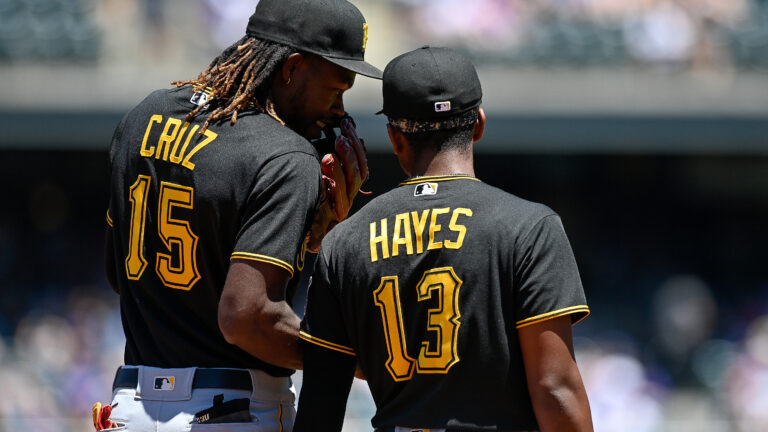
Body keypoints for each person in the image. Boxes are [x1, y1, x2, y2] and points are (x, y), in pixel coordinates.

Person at [101, 0, 382, 430]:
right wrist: (349, 358)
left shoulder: (144, 114)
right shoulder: (285, 155)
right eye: (336, 89)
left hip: (129, 408)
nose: (340, 110)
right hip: (230, 409)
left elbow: (117, 276)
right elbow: (247, 319)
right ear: (290, 69)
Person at [294, 46, 594, 432]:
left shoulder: (344, 241)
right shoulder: (530, 226)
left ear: (395, 137)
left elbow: (321, 404)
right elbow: (555, 390)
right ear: (479, 125)